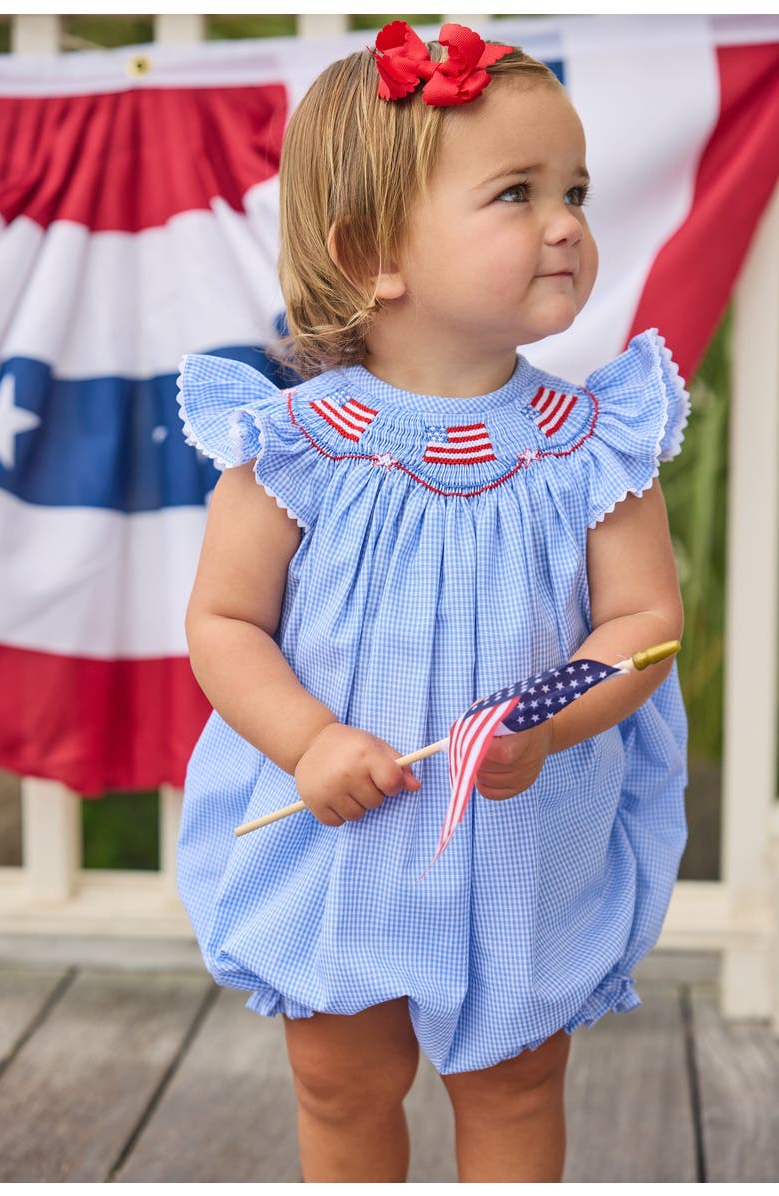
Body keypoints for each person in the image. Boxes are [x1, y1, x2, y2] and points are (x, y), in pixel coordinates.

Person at [176, 21, 688, 1183]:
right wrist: (306, 740)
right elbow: (223, 623)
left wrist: (551, 720)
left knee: (512, 1080)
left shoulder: (592, 442)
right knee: (341, 1078)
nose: (567, 221)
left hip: (520, 833)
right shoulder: (295, 445)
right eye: (516, 193)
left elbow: (644, 625)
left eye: (576, 189)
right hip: (345, 828)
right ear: (371, 254)